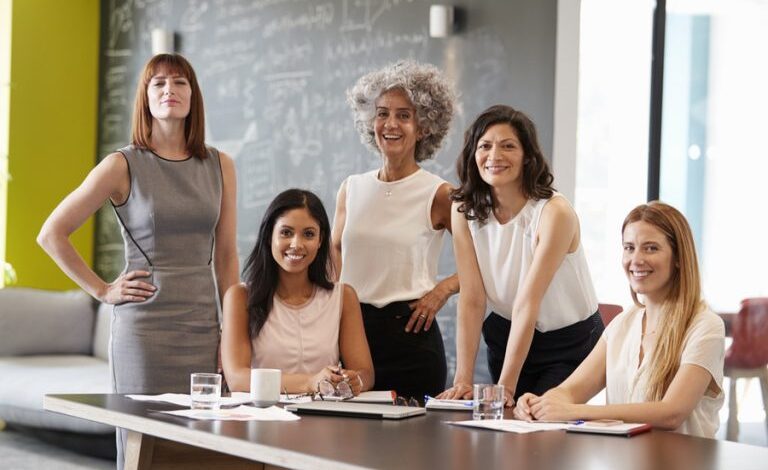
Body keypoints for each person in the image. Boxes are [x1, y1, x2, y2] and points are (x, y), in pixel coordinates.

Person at [37, 53, 238, 467]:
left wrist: (232, 330)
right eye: (159, 83)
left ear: (193, 96)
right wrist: (103, 290)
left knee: (202, 448)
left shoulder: (221, 165)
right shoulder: (121, 165)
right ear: (145, 98)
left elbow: (227, 255)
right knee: (142, 446)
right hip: (143, 332)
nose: (170, 90)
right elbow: (51, 233)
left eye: (180, 82)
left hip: (203, 328)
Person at [514, 202, 725, 438]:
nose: (636, 259)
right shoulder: (622, 325)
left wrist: (574, 412)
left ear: (678, 257)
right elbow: (569, 391)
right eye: (629, 247)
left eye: (651, 248)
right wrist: (540, 403)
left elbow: (672, 412)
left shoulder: (705, 326)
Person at [438, 105, 603, 405]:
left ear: (528, 156)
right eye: (485, 146)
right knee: (505, 431)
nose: (494, 156)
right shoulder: (464, 209)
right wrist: (462, 379)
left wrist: (506, 388)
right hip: (506, 333)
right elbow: (473, 298)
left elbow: (528, 302)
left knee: (538, 423)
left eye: (508, 146)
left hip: (569, 342)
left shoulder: (555, 213)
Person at [332, 60, 458, 399]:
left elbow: (482, 263)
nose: (391, 124)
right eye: (382, 113)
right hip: (351, 335)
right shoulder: (351, 187)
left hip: (411, 339)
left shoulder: (440, 193)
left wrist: (441, 291)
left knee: (411, 450)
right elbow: (334, 257)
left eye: (404, 115)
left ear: (425, 126)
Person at [222, 189, 374, 396]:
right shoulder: (239, 297)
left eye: (309, 234)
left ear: (320, 241)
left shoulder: (343, 297)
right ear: (269, 236)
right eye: (286, 232)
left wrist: (354, 381)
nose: (296, 244)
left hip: (325, 419)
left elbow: (365, 373)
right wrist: (310, 382)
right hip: (263, 418)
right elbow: (237, 378)